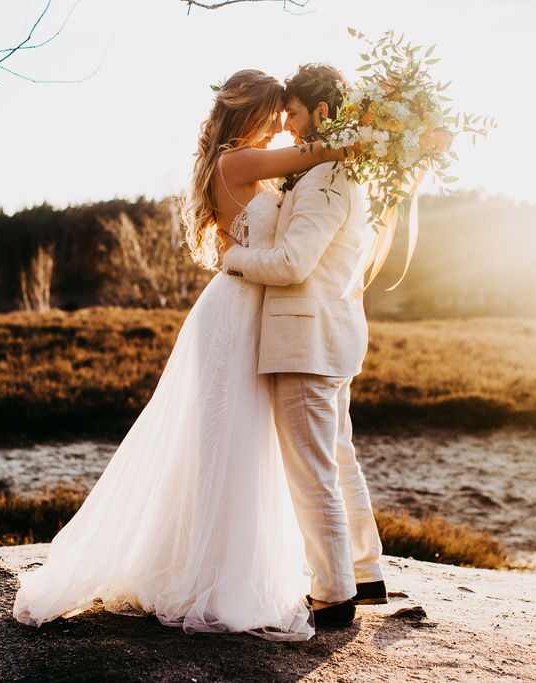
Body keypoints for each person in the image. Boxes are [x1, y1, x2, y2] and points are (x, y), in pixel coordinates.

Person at [12, 69, 345, 641]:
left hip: (249, 310)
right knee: (228, 442)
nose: (281, 124)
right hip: (234, 313)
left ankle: (220, 572)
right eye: (274, 112)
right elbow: (324, 151)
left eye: (285, 112)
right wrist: (390, 133)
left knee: (243, 444)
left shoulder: (249, 162)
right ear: (251, 114)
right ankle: (212, 581)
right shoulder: (236, 162)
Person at [219, 63, 387, 628]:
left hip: (305, 341)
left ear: (320, 111)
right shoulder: (340, 170)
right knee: (339, 460)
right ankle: (365, 572)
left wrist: (233, 259)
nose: (288, 126)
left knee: (311, 470)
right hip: (329, 335)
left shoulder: (324, 178)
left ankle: (334, 594)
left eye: (292, 113)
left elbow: (292, 264)